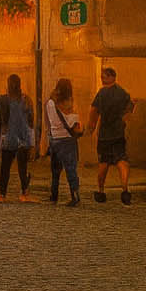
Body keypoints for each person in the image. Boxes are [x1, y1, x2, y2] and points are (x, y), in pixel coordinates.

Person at [87, 66, 135, 205]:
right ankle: (125, 189)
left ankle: (101, 192)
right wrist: (124, 122)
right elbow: (130, 109)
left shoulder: (102, 93)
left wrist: (92, 126)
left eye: (104, 77)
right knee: (121, 160)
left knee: (104, 163)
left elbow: (94, 111)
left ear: (112, 77)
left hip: (105, 135)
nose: (102, 79)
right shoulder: (122, 93)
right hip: (119, 133)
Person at [0, 73, 37, 203]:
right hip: (23, 137)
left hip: (8, 137)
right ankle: (24, 192)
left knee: (5, 167)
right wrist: (32, 141)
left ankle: (3, 194)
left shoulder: (2, 101)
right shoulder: (26, 100)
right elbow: (31, 121)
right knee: (22, 167)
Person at [43, 77, 82, 207]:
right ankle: (75, 195)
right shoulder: (68, 102)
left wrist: (50, 135)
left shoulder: (50, 102)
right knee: (71, 169)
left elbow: (48, 121)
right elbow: (72, 119)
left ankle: (54, 196)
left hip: (55, 138)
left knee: (55, 170)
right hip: (67, 139)